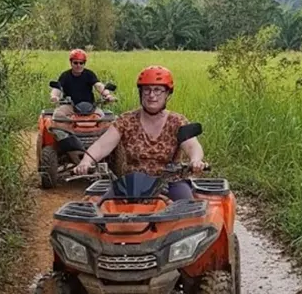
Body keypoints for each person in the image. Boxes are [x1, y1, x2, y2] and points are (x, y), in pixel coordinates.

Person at [73, 65, 205, 201]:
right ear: (140, 92)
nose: (152, 95)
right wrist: (86, 161)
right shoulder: (126, 120)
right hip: (132, 184)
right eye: (147, 90)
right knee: (102, 210)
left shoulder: (177, 121)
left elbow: (191, 145)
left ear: (167, 94)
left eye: (158, 90)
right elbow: (102, 145)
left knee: (188, 212)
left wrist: (195, 160)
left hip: (171, 182)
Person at [51, 49, 115, 120]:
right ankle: (66, 130)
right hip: (70, 106)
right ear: (71, 63)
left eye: (81, 63)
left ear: (84, 63)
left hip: (90, 107)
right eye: (75, 63)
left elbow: (98, 85)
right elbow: (57, 88)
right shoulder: (65, 75)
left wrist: (107, 95)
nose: (78, 65)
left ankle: (96, 130)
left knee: (102, 118)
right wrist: (54, 96)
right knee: (58, 115)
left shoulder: (89, 74)